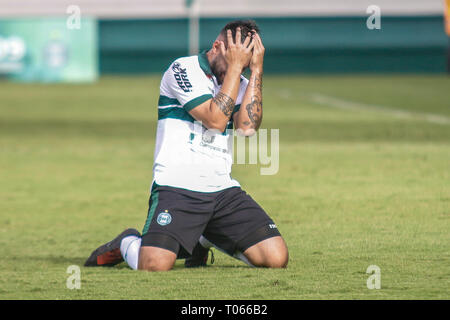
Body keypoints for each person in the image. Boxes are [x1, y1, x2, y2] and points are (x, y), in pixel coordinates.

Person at [84, 20, 289, 271]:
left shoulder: (242, 81)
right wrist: (236, 67)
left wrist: (256, 70)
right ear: (217, 47)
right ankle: (126, 241)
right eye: (234, 61)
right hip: (176, 186)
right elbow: (214, 120)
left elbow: (247, 128)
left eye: (245, 64)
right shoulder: (183, 68)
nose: (237, 71)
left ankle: (205, 237)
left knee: (276, 258)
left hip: (222, 189)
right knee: (155, 265)